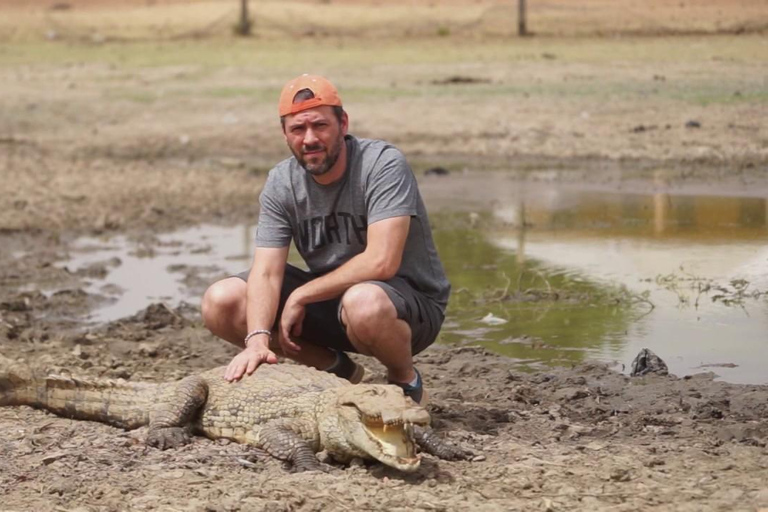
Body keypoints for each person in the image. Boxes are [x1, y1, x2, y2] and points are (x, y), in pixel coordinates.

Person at [201, 74, 450, 404]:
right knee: (221, 300)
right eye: (298, 129)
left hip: (405, 306)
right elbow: (266, 271)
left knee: (363, 302)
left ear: (342, 123)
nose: (310, 139)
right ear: (285, 134)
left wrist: (302, 295)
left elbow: (382, 261)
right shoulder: (282, 182)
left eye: (320, 125)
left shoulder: (382, 164)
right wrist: (257, 340)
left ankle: (405, 381)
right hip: (332, 302)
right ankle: (338, 370)